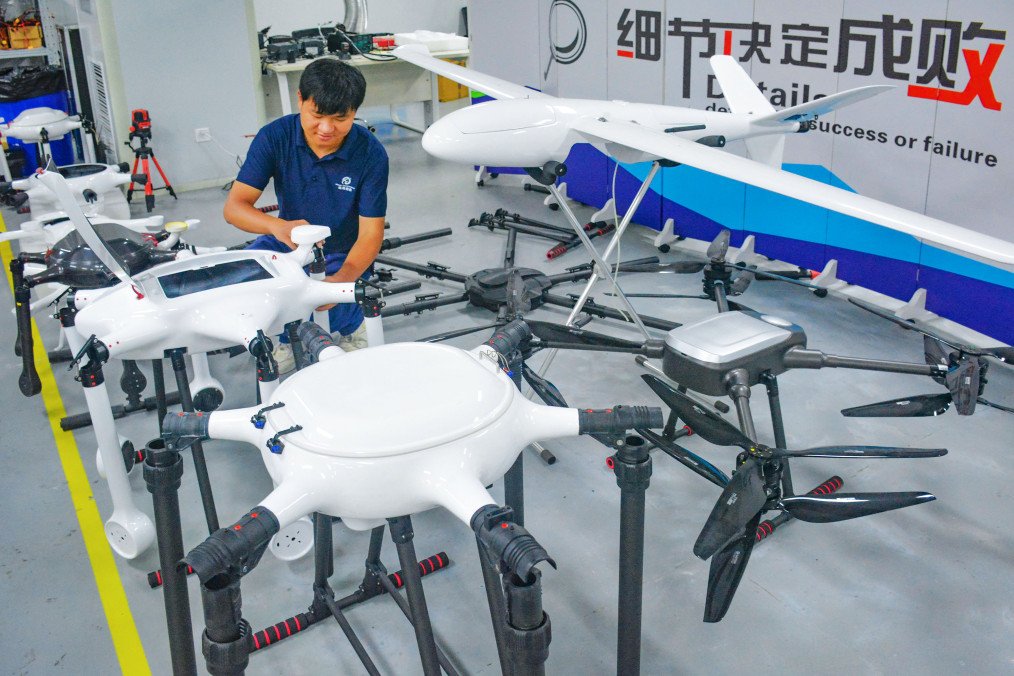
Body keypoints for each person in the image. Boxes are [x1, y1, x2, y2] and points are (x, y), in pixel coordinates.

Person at [224, 58, 388, 372]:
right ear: (300, 100)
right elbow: (235, 208)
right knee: (238, 284)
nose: (326, 129)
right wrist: (277, 227)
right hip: (287, 242)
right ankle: (283, 339)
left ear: (355, 112)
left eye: (341, 118)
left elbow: (370, 235)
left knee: (321, 300)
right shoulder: (274, 137)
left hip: (341, 252)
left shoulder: (370, 153)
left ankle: (353, 326)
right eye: (317, 115)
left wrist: (338, 284)